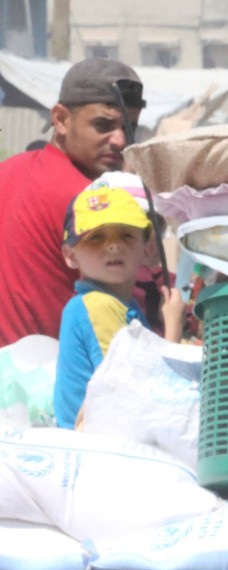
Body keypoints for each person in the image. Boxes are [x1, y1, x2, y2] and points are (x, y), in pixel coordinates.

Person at [0, 57, 145, 347]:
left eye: (130, 127)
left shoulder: (8, 170)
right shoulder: (93, 203)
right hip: (54, 383)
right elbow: (130, 319)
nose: (119, 140)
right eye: (103, 125)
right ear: (61, 119)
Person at [54, 185, 183, 429]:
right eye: (96, 237)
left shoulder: (123, 305)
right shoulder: (98, 305)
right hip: (99, 448)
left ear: (148, 250)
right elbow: (129, 394)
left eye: (126, 235)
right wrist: (173, 332)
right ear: (71, 255)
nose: (113, 246)